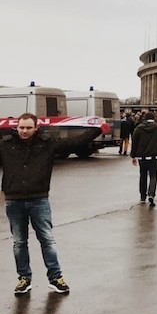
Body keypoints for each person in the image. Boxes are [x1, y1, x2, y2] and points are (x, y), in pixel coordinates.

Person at [1, 113, 105, 295]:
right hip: (14, 200)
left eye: (28, 128)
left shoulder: (47, 143)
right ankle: (24, 278)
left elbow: (75, 142)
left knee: (47, 240)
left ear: (36, 128)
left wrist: (98, 129)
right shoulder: (5, 144)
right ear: (16, 128)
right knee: (19, 243)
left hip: (38, 199)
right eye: (21, 127)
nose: (24, 131)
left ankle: (55, 278)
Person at [130, 111, 157, 207]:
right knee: (153, 176)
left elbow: (134, 142)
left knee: (143, 176)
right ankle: (151, 194)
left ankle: (142, 196)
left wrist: (133, 156)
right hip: (154, 156)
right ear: (154, 118)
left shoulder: (139, 128)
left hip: (142, 156)